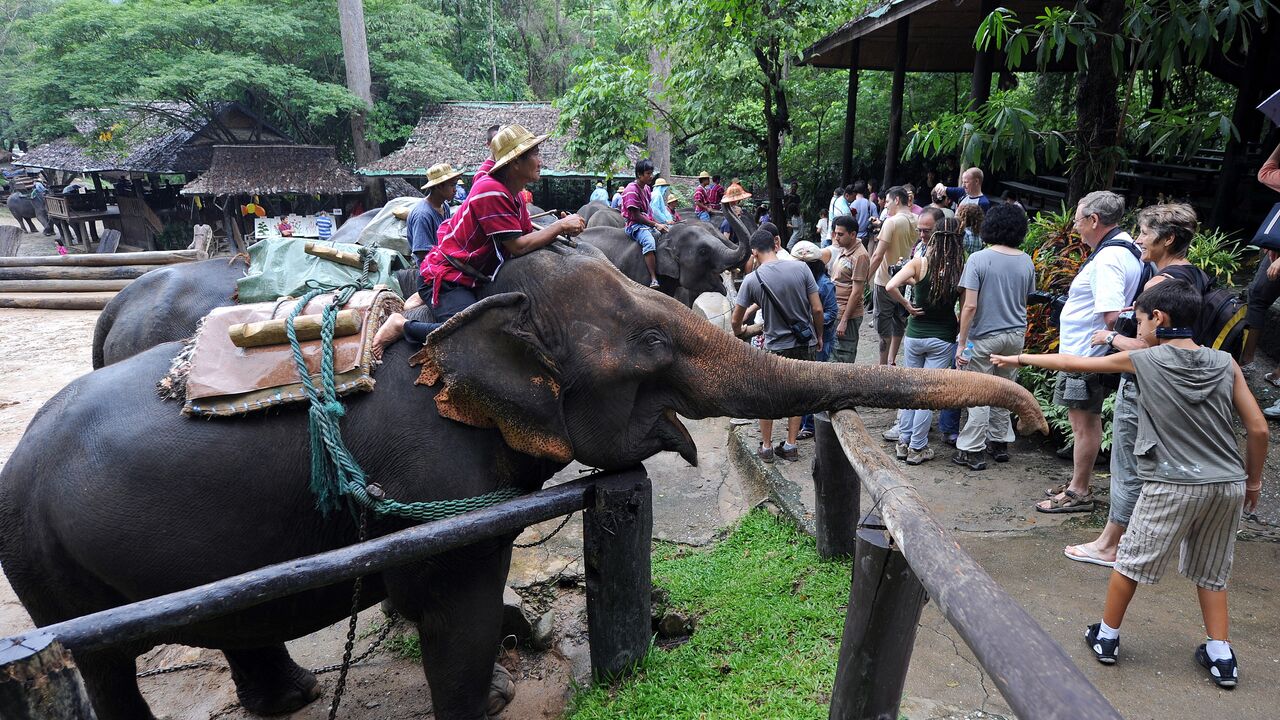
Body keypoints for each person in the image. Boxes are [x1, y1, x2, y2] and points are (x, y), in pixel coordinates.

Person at [992, 279, 1266, 688]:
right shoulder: (1224, 363)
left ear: (1159, 318)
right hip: (1226, 483)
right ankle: (1221, 654)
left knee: (1131, 560)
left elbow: (1074, 363)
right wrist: (1253, 483)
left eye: (1138, 322)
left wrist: (1018, 359)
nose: (1136, 331)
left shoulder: (1145, 362)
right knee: (1212, 569)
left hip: (1171, 482)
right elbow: (1258, 429)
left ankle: (1106, 636)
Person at [1062, 203, 1213, 566]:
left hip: (1145, 387)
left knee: (1127, 465)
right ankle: (1136, 536)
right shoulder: (1195, 275)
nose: (1140, 240)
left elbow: (1150, 347)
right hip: (1175, 389)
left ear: (1169, 238)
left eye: (1145, 233)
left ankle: (1110, 544)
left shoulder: (1160, 284)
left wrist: (1110, 338)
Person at [372, 125, 586, 355]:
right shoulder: (491, 191)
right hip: (449, 278)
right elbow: (517, 246)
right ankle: (402, 326)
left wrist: (558, 229)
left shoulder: (510, 190)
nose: (540, 160)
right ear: (514, 163)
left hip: (473, 275)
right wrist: (559, 226)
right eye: (534, 154)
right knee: (468, 333)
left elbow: (491, 164)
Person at [1039, 191, 1144, 514]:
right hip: (1085, 354)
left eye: (1079, 220)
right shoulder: (1124, 248)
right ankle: (1077, 481)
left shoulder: (1110, 258)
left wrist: (1108, 337)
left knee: (1084, 423)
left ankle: (1079, 490)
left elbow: (1113, 314)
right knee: (1084, 422)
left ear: (1094, 220)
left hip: (1085, 356)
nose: (1075, 227)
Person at [951, 204, 1036, 470]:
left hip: (983, 336)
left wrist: (962, 342)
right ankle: (999, 443)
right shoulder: (1026, 260)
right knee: (1004, 390)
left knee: (978, 392)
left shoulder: (978, 259)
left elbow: (970, 306)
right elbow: (1026, 298)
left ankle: (972, 450)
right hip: (1015, 336)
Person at [731, 228, 823, 463]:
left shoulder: (752, 279)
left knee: (767, 397)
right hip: (805, 343)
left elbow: (736, 320)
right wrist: (819, 336)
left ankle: (767, 446)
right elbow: (817, 309)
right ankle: (791, 445)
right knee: (797, 394)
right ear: (776, 243)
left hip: (775, 347)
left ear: (754, 252)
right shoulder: (801, 268)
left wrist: (741, 331)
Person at [883, 217, 964, 465]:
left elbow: (890, 285)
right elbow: (968, 304)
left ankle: (903, 442)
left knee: (911, 390)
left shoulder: (919, 264)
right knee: (927, 395)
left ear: (936, 236)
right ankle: (918, 448)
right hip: (943, 337)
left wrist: (907, 304)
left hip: (915, 335)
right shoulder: (960, 268)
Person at [791, 240, 839, 440]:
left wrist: (811, 320)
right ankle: (802, 422)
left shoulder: (824, 284)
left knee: (812, 383)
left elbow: (831, 313)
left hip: (820, 340)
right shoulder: (796, 281)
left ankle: (809, 424)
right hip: (802, 340)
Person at [867, 186, 917, 366]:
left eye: (887, 201)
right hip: (905, 278)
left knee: (883, 326)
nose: (885, 205)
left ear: (897, 200)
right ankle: (892, 360)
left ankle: (882, 366)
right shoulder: (916, 219)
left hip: (885, 280)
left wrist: (866, 278)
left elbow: (878, 255)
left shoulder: (891, 221)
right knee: (899, 321)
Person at [829, 214, 870, 365]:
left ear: (853, 235)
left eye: (840, 234)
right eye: (835, 233)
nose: (836, 237)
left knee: (843, 357)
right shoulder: (844, 248)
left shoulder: (860, 256)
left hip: (848, 314)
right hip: (837, 310)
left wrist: (844, 320)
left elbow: (857, 292)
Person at [622, 159, 669, 288]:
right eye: (648, 173)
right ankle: (653, 278)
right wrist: (655, 225)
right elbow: (636, 216)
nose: (651, 176)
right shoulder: (631, 190)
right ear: (639, 174)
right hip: (634, 225)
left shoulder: (647, 189)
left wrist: (660, 223)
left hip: (647, 223)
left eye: (651, 173)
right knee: (649, 242)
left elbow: (649, 211)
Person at [407, 162, 461, 264]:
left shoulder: (444, 206)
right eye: (452, 185)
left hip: (443, 260)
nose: (455, 190)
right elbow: (422, 254)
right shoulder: (422, 215)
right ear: (439, 186)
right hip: (429, 268)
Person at [850, 181, 876, 245]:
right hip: (867, 237)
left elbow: (851, 220)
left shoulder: (852, 205)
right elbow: (876, 220)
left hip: (854, 237)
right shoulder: (871, 204)